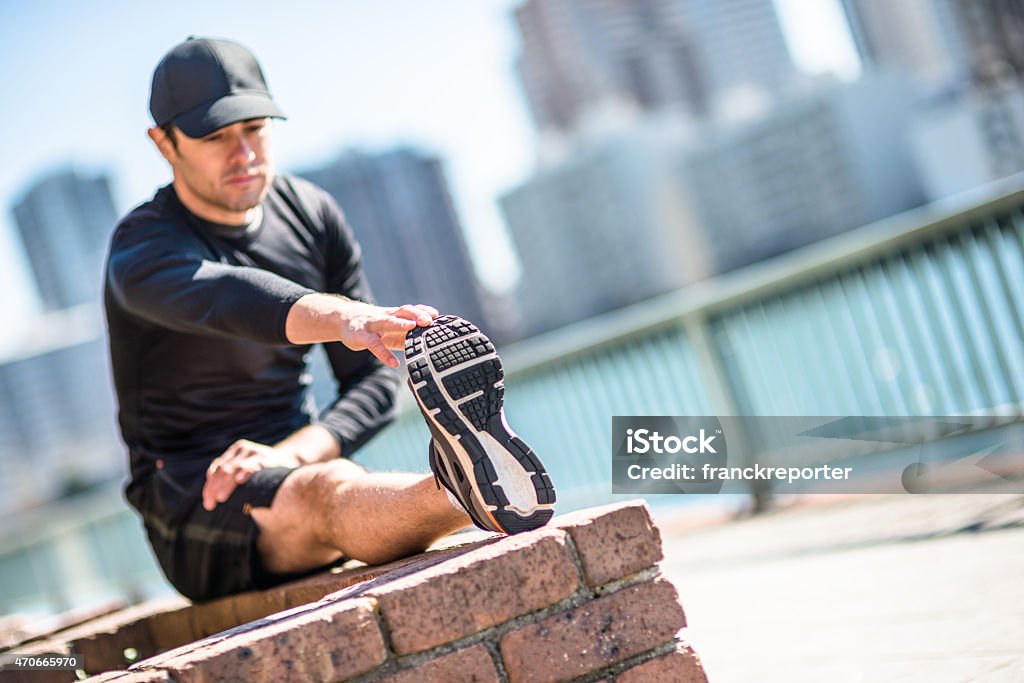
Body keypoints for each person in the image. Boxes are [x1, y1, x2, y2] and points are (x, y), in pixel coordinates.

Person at [104, 37, 555, 602]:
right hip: (194, 495)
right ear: (164, 144)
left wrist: (293, 452)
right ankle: (465, 493)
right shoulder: (143, 249)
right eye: (215, 137)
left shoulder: (311, 214)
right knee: (326, 490)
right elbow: (227, 298)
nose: (243, 153)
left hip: (299, 458)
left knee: (328, 484)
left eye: (255, 129)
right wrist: (344, 317)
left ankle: (472, 485)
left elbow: (373, 381)